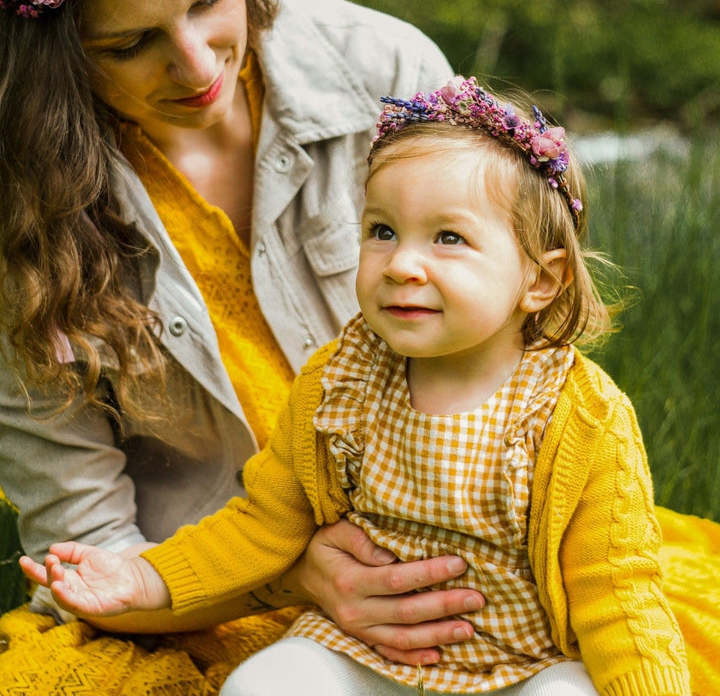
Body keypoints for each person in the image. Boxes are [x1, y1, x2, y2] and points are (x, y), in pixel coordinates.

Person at [0, 0, 487, 694]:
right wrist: (285, 572)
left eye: (208, 0)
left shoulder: (389, 70)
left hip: (443, 552)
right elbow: (83, 543)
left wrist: (417, 554)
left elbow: (519, 354)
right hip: (190, 595)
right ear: (54, 60)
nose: (195, 64)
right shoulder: (18, 204)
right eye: (128, 44)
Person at [21, 77, 692, 696]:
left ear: (540, 280)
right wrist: (146, 574)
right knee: (262, 684)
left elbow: (617, 592)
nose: (402, 263)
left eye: (448, 238)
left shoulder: (578, 414)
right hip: (365, 650)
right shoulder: (342, 381)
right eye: (382, 230)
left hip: (527, 659)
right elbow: (263, 522)